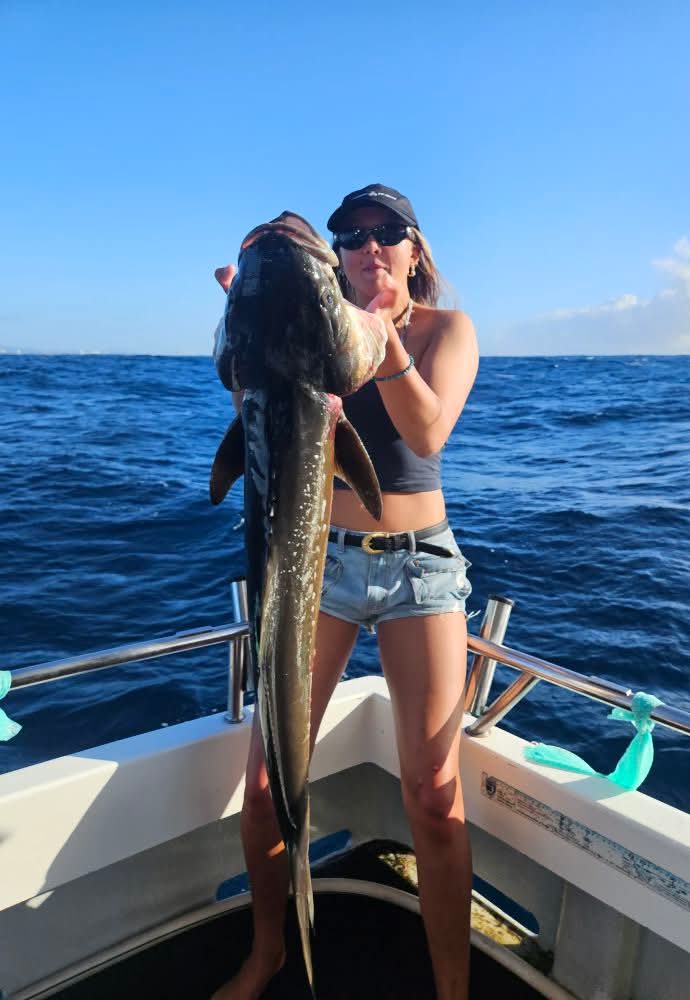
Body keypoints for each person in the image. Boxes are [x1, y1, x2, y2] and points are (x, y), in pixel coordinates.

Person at [213, 184, 479, 1000]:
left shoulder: (445, 332)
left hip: (418, 567)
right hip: (314, 561)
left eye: (385, 234)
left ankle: (453, 990)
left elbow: (427, 431)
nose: (369, 248)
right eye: (351, 237)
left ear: (414, 249)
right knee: (265, 783)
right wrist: (250, 328)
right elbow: (256, 414)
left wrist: (382, 338)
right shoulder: (319, 328)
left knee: (433, 794)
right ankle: (269, 953)